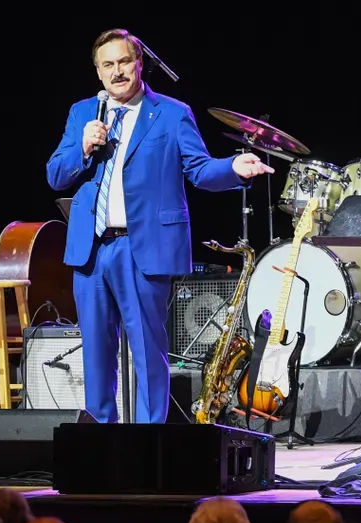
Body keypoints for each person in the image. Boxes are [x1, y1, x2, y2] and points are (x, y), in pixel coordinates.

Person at [46, 28, 271, 424]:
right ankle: (102, 441)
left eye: (123, 63)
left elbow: (199, 170)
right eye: (107, 65)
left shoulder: (170, 113)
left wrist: (234, 168)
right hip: (92, 250)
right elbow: (55, 175)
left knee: (148, 353)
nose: (117, 72)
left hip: (142, 249)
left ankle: (152, 444)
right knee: (96, 353)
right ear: (98, 72)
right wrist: (83, 146)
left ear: (139, 64)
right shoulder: (83, 113)